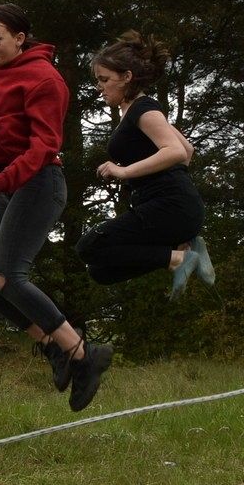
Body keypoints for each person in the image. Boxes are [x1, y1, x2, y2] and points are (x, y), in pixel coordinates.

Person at [0, 3, 112, 412]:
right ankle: (52, 346)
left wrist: (4, 179)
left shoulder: (45, 79)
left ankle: (83, 353)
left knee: (7, 277)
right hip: (6, 185)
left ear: (20, 38)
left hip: (38, 182)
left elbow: (45, 147)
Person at [76, 32, 213, 295]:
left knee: (88, 247)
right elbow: (188, 150)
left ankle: (179, 258)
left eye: (104, 79)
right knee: (100, 270)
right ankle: (181, 249)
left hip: (169, 206)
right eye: (97, 80)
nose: (99, 87)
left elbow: (175, 151)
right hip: (174, 209)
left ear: (127, 76)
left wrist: (124, 171)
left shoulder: (143, 108)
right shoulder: (139, 110)